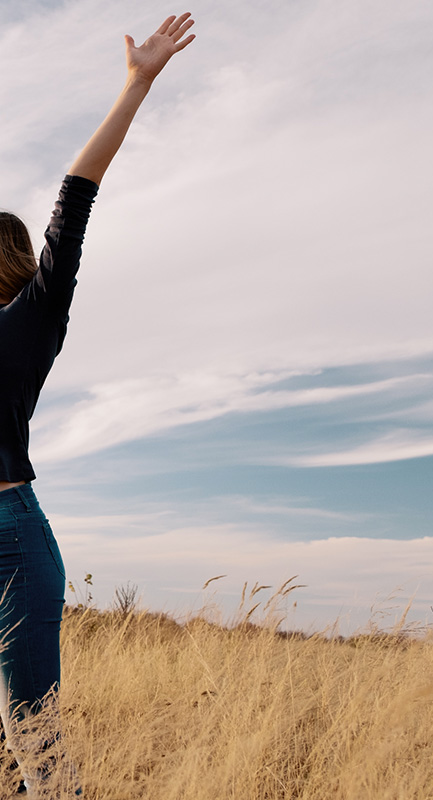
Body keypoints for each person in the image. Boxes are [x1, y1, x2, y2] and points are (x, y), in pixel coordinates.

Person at [0, 13, 196, 797]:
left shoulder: (32, 317)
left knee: (34, 742)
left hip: (11, 544)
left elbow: (73, 199)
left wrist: (136, 85)